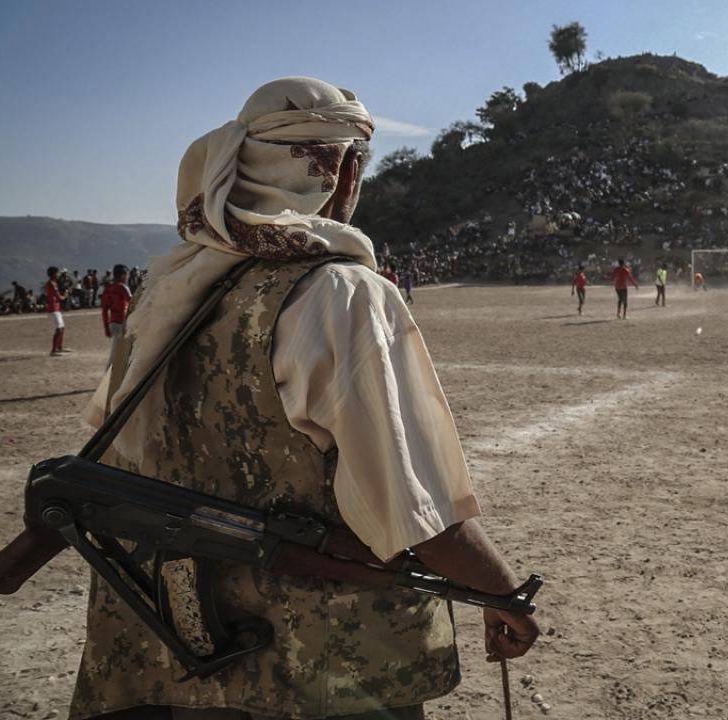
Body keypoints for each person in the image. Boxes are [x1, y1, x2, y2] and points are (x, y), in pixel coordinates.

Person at [73, 77, 537, 720]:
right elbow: (412, 508)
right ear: (342, 172)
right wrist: (503, 594)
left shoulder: (166, 291)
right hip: (318, 666)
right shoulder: (340, 293)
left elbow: (119, 449)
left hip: (186, 646)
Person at [100, 264, 132, 369]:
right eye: (127, 275)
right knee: (119, 351)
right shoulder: (123, 288)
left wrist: (106, 327)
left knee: (116, 350)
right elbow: (133, 302)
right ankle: (109, 374)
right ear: (123, 275)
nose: (127, 277)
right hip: (122, 322)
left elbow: (104, 310)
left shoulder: (108, 288)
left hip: (113, 322)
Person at [44, 266, 71, 356]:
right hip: (53, 309)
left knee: (62, 328)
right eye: (57, 273)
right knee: (59, 329)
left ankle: (59, 347)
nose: (58, 275)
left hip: (56, 308)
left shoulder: (54, 283)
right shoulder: (51, 283)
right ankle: (54, 350)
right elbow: (58, 296)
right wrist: (65, 295)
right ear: (53, 274)